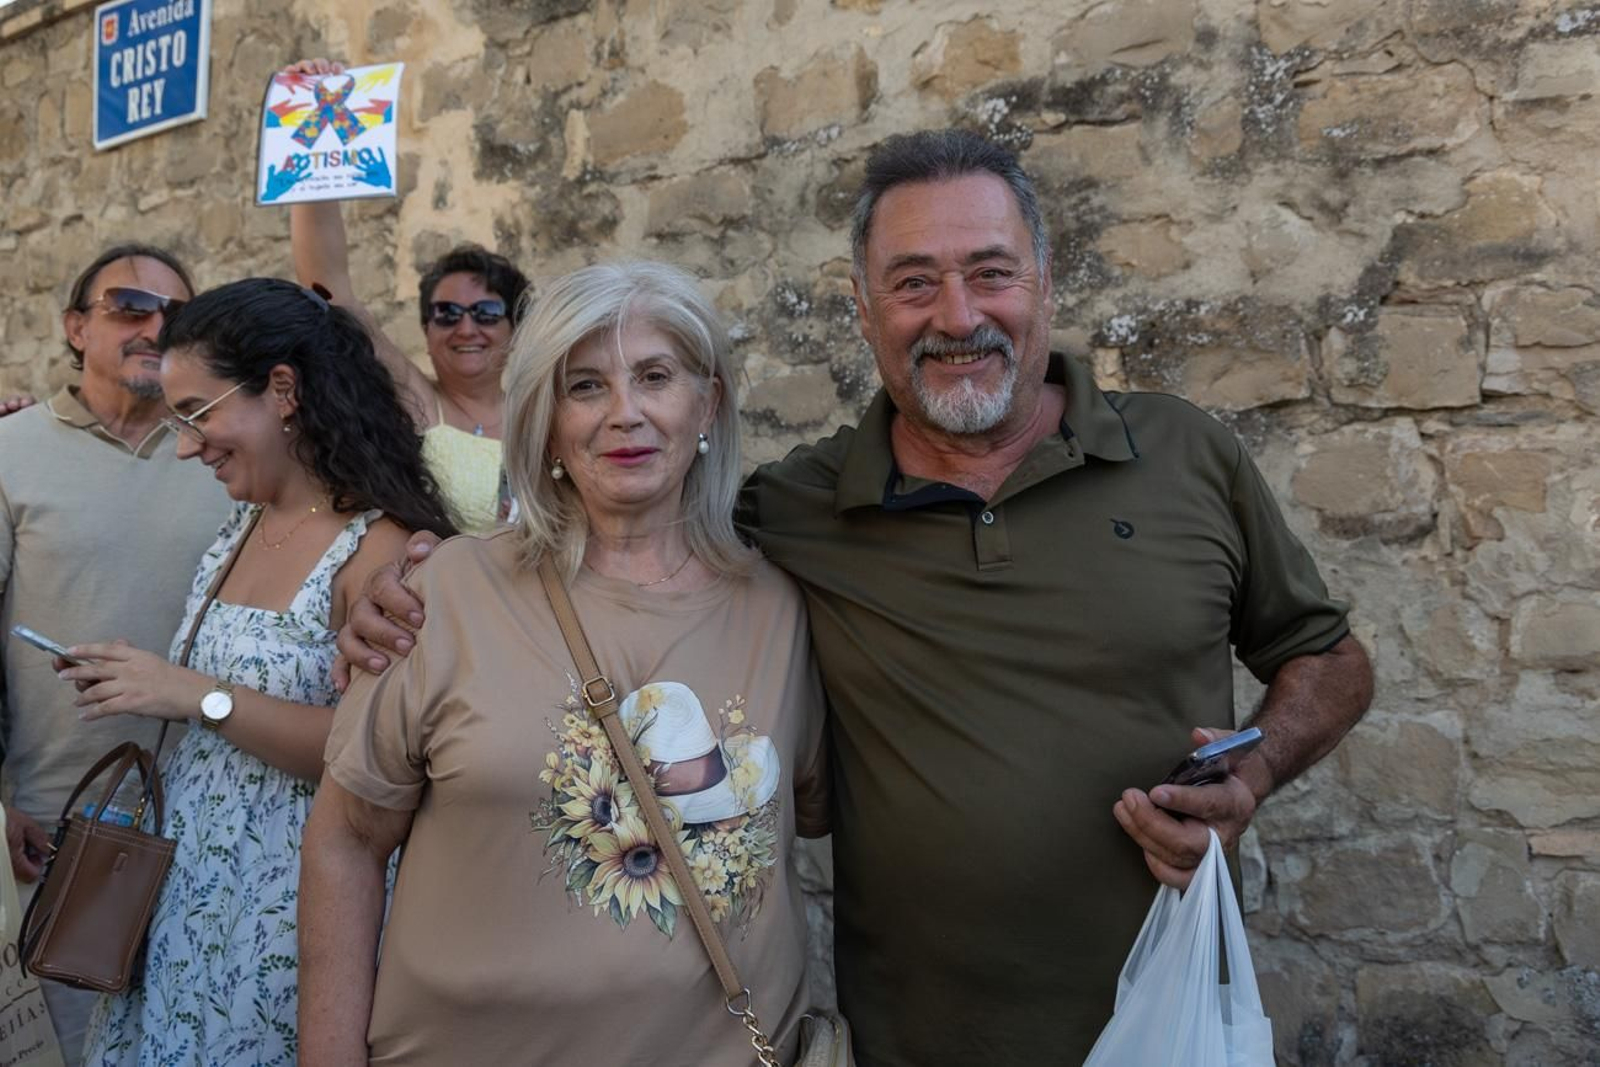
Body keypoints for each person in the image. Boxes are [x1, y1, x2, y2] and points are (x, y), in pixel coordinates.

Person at [341, 131, 1375, 1065]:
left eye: (989, 273)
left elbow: (1326, 656)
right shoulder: (791, 514)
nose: (957, 314)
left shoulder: (1184, 452)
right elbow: (627, 533)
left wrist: (1258, 773)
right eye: (914, 282)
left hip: (1170, 1003)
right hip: (917, 1035)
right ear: (862, 305)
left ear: (1045, 284)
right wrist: (417, 581)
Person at [299, 261, 828, 1065]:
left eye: (655, 376)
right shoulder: (442, 592)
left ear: (707, 402)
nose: (626, 414)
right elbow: (345, 841)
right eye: (585, 387)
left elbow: (816, 814)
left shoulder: (783, 608)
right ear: (545, 419)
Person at [68, 278, 456, 1066]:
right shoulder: (244, 522)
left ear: (282, 389)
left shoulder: (380, 551)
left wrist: (194, 694)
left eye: (199, 414)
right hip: (183, 904)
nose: (185, 444)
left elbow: (379, 756)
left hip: (282, 921)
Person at [0, 244, 226, 1062]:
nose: (154, 327)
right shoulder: (11, 448)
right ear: (75, 326)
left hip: (214, 814)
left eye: (175, 313)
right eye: (129, 306)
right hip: (55, 824)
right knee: (63, 1045)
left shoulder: (227, 450)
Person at [285, 58, 530, 533]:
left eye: (485, 312)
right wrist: (313, 127)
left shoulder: (543, 410)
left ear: (514, 326)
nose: (466, 328)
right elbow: (329, 291)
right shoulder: (415, 399)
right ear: (425, 329)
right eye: (446, 313)